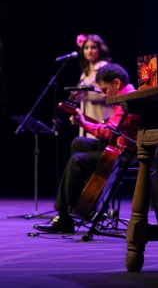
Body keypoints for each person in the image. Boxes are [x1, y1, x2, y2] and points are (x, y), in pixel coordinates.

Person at [33, 63, 140, 233]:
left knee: (77, 160)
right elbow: (112, 129)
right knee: (78, 142)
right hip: (121, 146)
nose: (104, 95)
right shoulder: (124, 98)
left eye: (105, 90)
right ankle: (86, 204)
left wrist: (83, 122)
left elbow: (110, 133)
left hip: (127, 154)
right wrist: (85, 122)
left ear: (117, 83)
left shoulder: (129, 101)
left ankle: (65, 216)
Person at [69, 34, 113, 138]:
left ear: (100, 49)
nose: (89, 51)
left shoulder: (104, 67)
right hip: (88, 116)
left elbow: (109, 93)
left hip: (102, 115)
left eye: (93, 47)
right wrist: (75, 95)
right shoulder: (85, 73)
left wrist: (84, 93)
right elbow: (82, 97)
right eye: (86, 48)